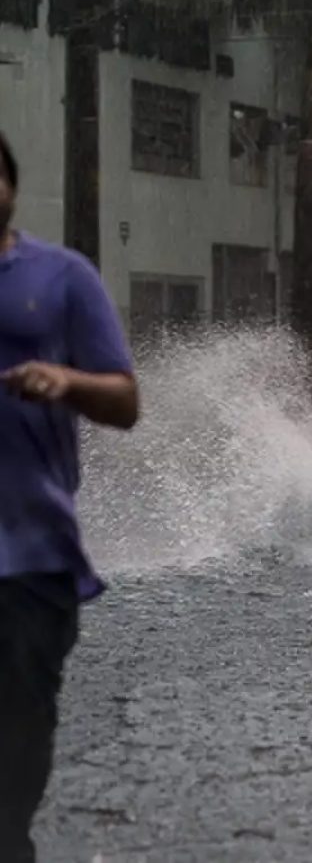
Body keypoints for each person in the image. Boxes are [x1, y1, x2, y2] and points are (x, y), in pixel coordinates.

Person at [0, 131, 139, 860]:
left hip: (33, 557)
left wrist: (67, 383)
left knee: (18, 745)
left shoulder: (62, 277)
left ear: (11, 188)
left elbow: (124, 400)